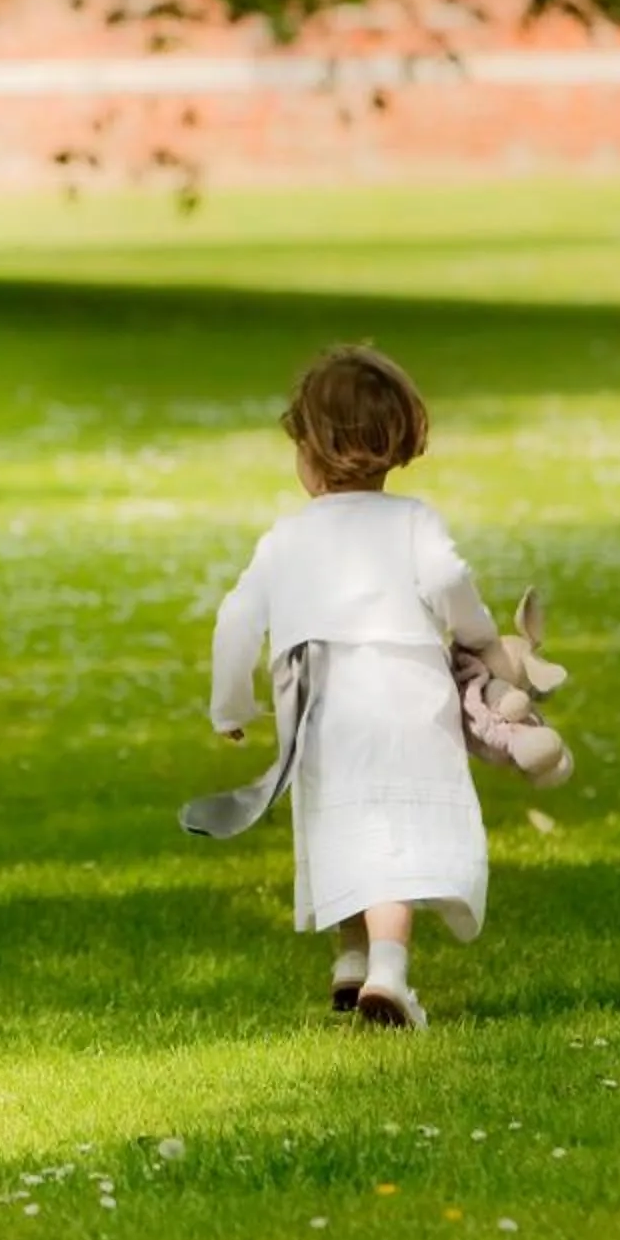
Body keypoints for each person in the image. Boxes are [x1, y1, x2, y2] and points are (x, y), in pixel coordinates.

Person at [185, 345, 499, 1028]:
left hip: (319, 704)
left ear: (308, 449)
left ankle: (355, 960)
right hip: (405, 695)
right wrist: (483, 640)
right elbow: (448, 583)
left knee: (350, 821)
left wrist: (231, 705)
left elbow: (237, 618)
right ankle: (386, 971)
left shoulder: (288, 537)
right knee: (395, 828)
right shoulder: (413, 520)